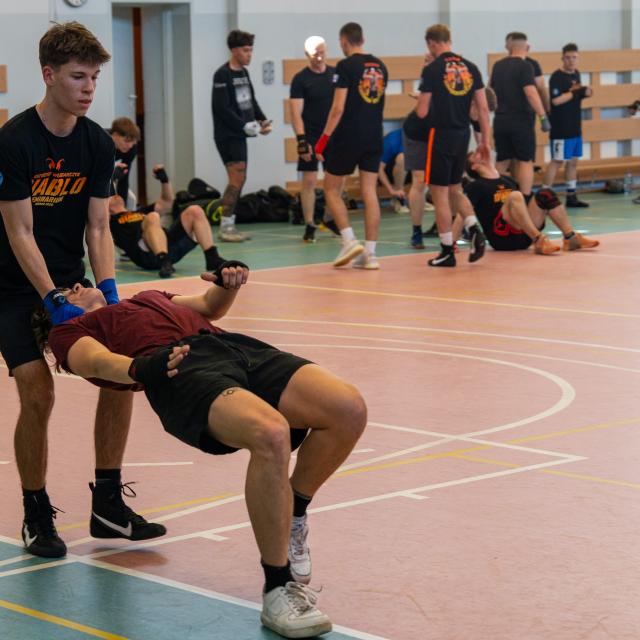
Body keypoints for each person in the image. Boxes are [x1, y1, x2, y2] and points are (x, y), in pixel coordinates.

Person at [41, 262, 367, 639]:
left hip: (233, 348)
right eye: (67, 290)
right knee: (271, 433)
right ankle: (278, 589)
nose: (77, 285)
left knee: (348, 409)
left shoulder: (147, 297)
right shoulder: (69, 332)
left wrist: (228, 283)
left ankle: (293, 509)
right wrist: (142, 367)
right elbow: (97, 362)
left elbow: (210, 306)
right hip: (182, 372)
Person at [0, 22, 165, 559]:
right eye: (78, 76)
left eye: (94, 77)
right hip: (13, 287)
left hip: (72, 280)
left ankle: (108, 506)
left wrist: (110, 293)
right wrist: (50, 299)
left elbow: (98, 226)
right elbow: (20, 233)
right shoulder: (14, 141)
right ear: (49, 75)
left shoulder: (96, 142)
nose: (90, 87)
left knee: (120, 373)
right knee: (37, 391)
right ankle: (35, 512)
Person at [314, 22, 388, 269]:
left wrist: (323, 139)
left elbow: (338, 108)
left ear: (344, 41)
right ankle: (371, 255)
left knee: (331, 189)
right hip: (374, 135)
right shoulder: (380, 66)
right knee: (369, 191)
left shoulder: (345, 66)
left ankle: (348, 240)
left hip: (349, 136)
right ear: (362, 39)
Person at [414, 23, 489, 267]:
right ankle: (474, 228)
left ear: (432, 43)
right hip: (462, 134)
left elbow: (422, 112)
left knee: (440, 195)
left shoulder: (432, 69)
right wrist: (485, 142)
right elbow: (483, 108)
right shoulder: (471, 67)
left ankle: (447, 250)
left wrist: (422, 97)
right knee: (455, 189)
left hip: (440, 134)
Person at [464, 151, 600, 254]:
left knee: (545, 194)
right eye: (475, 155)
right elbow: (463, 212)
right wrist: (453, 242)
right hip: (502, 238)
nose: (481, 153)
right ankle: (539, 240)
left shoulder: (507, 181)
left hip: (524, 236)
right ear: (474, 166)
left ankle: (571, 238)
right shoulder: (475, 186)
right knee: (516, 195)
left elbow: (524, 206)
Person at [109, 165, 225, 278]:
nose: (116, 196)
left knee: (195, 210)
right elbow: (103, 197)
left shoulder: (139, 212)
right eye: (112, 196)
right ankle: (163, 259)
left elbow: (167, 202)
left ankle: (212, 257)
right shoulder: (110, 221)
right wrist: (112, 177)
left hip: (169, 246)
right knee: (153, 216)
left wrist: (164, 180)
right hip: (146, 255)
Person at [211, 30, 271, 243]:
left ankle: (229, 223)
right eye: (245, 50)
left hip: (241, 134)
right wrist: (244, 125)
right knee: (236, 178)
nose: (249, 54)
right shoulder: (222, 74)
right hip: (228, 135)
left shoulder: (244, 73)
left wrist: (262, 120)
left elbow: (251, 101)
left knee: (240, 178)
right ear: (234, 50)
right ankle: (225, 226)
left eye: (251, 50)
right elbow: (222, 108)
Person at [490, 32, 550, 201]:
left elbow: (490, 92)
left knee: (502, 161)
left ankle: (498, 200)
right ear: (527, 47)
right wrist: (543, 116)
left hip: (500, 120)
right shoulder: (526, 66)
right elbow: (531, 92)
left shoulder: (498, 66)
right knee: (525, 161)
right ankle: (524, 200)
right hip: (521, 121)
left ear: (509, 46)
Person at [289, 35, 335, 243]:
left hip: (332, 135)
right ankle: (309, 224)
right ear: (307, 54)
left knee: (335, 180)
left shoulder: (335, 75)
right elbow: (295, 113)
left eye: (322, 52)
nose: (319, 57)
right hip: (311, 136)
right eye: (315, 54)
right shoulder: (300, 79)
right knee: (309, 180)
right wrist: (301, 140)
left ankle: (329, 218)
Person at [542, 43, 593, 208]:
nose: (571, 61)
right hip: (561, 128)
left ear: (578, 58)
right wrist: (576, 92)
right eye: (568, 57)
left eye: (574, 57)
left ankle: (571, 196)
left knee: (573, 162)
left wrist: (585, 92)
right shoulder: (557, 77)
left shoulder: (576, 74)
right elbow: (556, 101)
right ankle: (543, 197)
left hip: (575, 127)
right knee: (557, 161)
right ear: (562, 58)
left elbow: (575, 95)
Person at [108, 116, 140, 204]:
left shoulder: (131, 149)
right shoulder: (100, 142)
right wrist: (113, 176)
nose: (130, 145)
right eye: (126, 141)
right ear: (115, 135)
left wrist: (122, 207)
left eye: (133, 142)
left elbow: (124, 180)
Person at [377, 128, 409, 213]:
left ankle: (422, 197)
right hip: (389, 174)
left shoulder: (423, 139)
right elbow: (379, 168)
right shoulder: (392, 140)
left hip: (410, 172)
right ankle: (399, 197)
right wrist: (391, 190)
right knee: (402, 158)